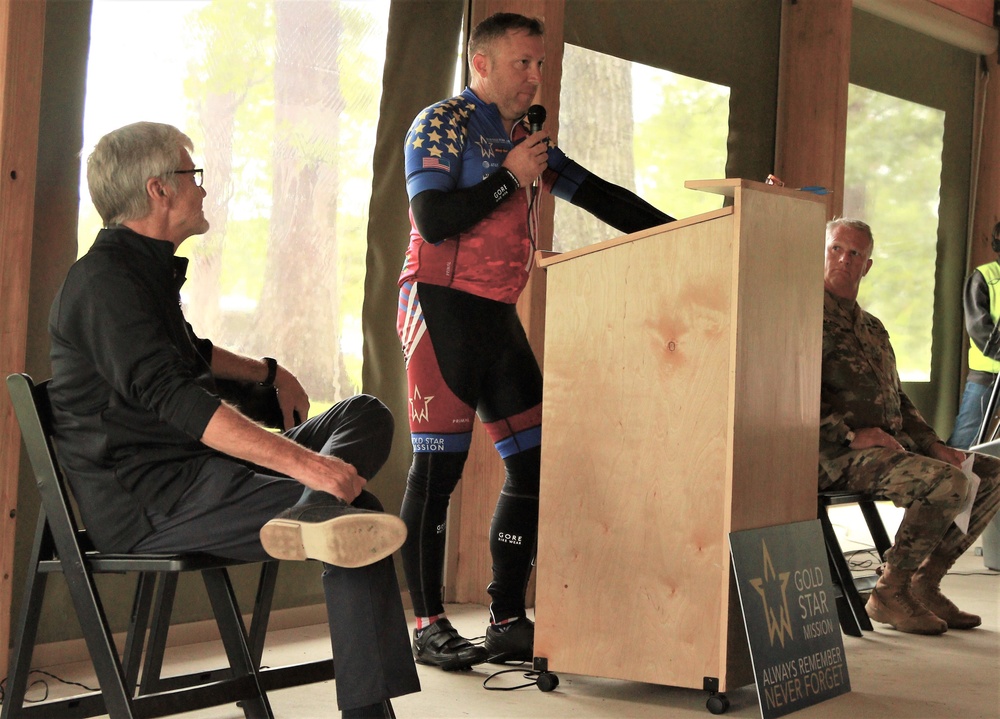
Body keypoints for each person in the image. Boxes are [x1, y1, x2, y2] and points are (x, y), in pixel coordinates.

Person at [47, 122, 420, 718]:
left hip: (198, 473)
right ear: (159, 190)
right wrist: (310, 466)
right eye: (192, 175)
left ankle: (311, 513)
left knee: (364, 412)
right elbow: (181, 399)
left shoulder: (140, 271)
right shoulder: (103, 284)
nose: (202, 188)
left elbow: (193, 356)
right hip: (157, 501)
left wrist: (268, 373)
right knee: (357, 522)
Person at [396, 12, 674, 670]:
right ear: (482, 62)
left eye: (541, 64)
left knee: (534, 466)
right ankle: (427, 623)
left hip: (496, 315)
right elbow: (433, 220)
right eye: (523, 62)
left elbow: (600, 196)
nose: (536, 75)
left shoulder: (521, 137)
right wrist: (508, 177)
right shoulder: (442, 122)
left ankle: (506, 617)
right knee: (438, 471)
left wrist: (700, 228)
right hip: (437, 305)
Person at [819, 217, 1000, 635]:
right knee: (946, 483)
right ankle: (889, 592)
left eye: (855, 254)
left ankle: (923, 583)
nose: (844, 260)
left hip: (886, 449)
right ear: (822, 251)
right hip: (833, 454)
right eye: (835, 249)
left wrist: (935, 445)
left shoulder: (873, 329)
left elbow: (899, 400)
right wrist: (849, 435)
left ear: (866, 266)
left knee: (987, 474)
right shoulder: (801, 317)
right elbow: (791, 396)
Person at [947, 221, 1000, 449]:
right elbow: (979, 329)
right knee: (964, 440)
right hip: (987, 376)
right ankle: (950, 480)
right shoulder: (984, 277)